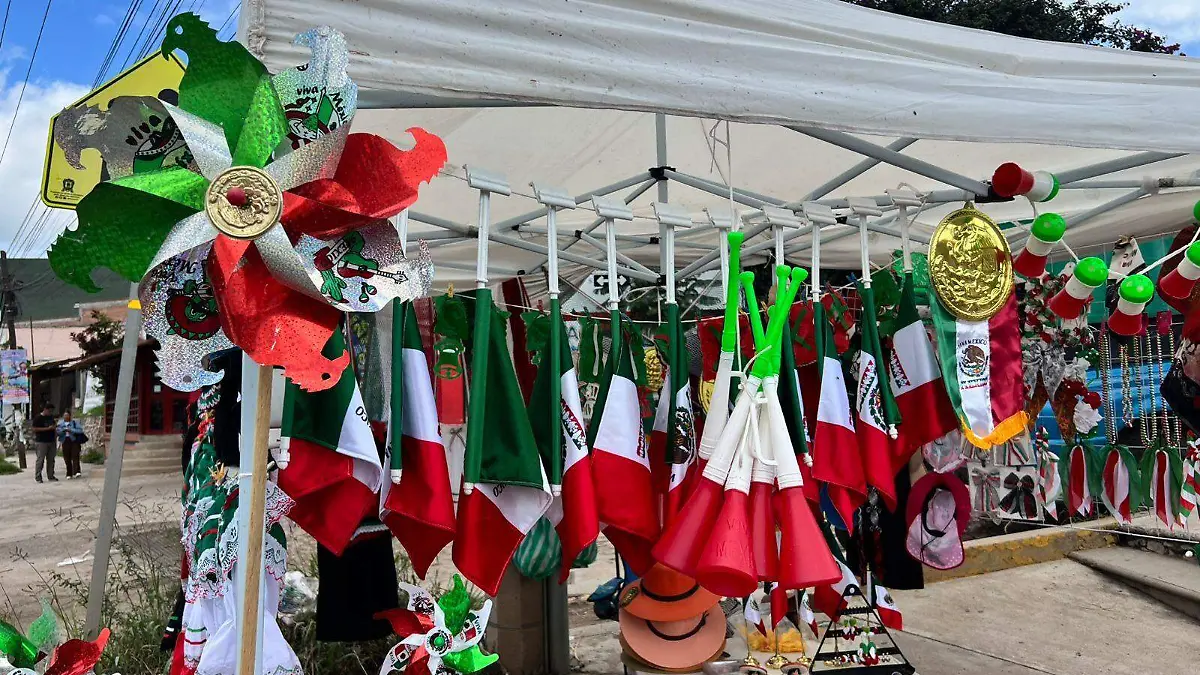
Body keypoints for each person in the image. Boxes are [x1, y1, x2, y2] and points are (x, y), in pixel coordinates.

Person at [31, 403, 57, 483]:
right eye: (49, 411)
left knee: (51, 459)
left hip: (51, 441)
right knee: (40, 460)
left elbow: (54, 426)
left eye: (51, 411)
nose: (50, 412)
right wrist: (46, 429)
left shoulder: (51, 417)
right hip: (41, 441)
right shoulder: (38, 418)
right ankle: (38, 476)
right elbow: (34, 429)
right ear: (45, 409)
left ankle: (51, 475)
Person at [58, 411, 85, 479]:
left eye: (67, 415)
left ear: (70, 416)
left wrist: (71, 430)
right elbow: (58, 432)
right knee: (67, 457)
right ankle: (69, 473)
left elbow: (80, 431)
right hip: (65, 440)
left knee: (75, 455)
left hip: (74, 440)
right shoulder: (61, 424)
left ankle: (77, 471)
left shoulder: (74, 423)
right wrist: (63, 430)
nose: (66, 417)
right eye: (64, 415)